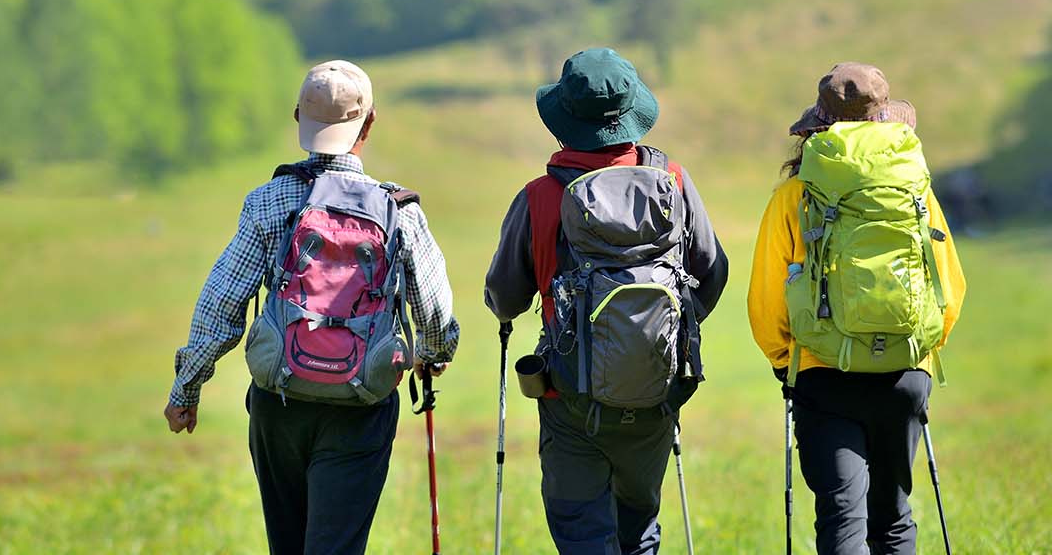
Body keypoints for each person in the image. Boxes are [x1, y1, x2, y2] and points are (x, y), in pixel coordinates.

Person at [163, 60, 461, 555]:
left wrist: (187, 386)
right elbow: (434, 311)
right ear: (369, 123)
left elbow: (222, 301)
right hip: (361, 403)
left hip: (280, 400)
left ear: (298, 116)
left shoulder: (269, 201)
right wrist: (432, 353)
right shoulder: (399, 210)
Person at [485, 47, 729, 555]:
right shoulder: (674, 183)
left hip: (568, 397)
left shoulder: (540, 197)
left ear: (564, 121)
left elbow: (505, 297)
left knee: (581, 532)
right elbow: (712, 272)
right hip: (657, 390)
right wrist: (661, 328)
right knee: (638, 528)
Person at [748, 63, 966, 555]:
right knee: (892, 519)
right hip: (904, 374)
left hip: (825, 377)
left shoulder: (793, 197)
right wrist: (922, 351)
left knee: (842, 519)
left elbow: (765, 303)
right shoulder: (916, 192)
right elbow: (949, 287)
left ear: (816, 130)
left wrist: (788, 362)